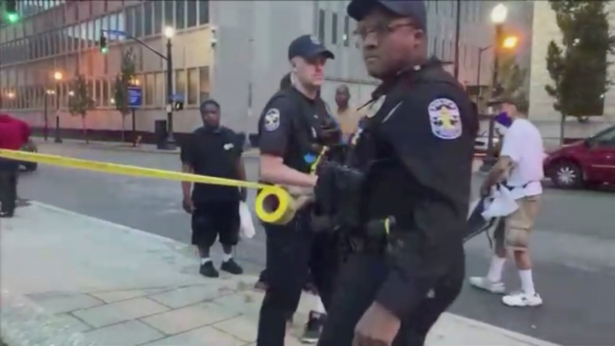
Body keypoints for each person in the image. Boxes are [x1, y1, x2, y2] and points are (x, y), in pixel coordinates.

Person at [316, 1, 477, 345]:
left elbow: (443, 209)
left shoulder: (434, 100)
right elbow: (384, 177)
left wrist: (392, 306)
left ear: (417, 36)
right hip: (376, 256)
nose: (368, 42)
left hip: (401, 265)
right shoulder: (399, 93)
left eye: (382, 29)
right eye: (363, 32)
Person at [256, 34, 337, 346]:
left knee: (336, 292)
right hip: (289, 218)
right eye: (312, 61)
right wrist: (320, 183)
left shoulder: (321, 106)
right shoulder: (283, 106)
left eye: (323, 61)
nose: (319, 67)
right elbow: (270, 168)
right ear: (295, 63)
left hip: (320, 215)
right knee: (283, 298)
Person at [470, 97, 544, 307]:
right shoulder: (528, 129)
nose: (498, 114)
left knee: (518, 244)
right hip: (516, 192)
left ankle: (529, 294)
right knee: (501, 236)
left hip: (523, 195)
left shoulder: (517, 130)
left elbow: (503, 164)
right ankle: (493, 280)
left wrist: (487, 183)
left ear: (513, 107)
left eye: (501, 109)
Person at [180, 99, 247, 278]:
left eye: (213, 112)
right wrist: (186, 195)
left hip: (229, 195)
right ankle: (205, 262)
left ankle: (227, 260)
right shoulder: (194, 139)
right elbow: (186, 169)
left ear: (219, 113)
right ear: (202, 115)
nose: (210, 116)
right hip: (204, 196)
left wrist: (244, 186)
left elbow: (238, 162)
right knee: (203, 230)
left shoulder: (230, 136)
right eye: (206, 113)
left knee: (230, 230)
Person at [0, 118, 24, 218]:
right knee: (12, 184)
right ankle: (11, 207)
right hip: (15, 159)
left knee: (3, 186)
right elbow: (26, 131)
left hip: (3, 161)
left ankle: (6, 210)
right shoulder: (17, 123)